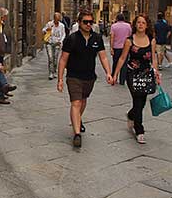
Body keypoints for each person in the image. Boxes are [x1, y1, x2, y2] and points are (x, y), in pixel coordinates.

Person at [57, 10, 112, 148]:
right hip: (74, 76)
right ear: (79, 22)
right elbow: (63, 59)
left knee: (83, 101)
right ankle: (77, 134)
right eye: (85, 22)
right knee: (76, 103)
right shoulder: (72, 39)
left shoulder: (97, 38)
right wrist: (60, 79)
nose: (88, 24)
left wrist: (108, 73)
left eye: (90, 22)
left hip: (89, 77)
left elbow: (103, 56)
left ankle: (78, 120)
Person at [113, 14, 161, 144]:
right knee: (137, 100)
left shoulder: (151, 40)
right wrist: (115, 74)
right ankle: (139, 130)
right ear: (135, 25)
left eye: (143, 23)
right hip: (132, 74)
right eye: (138, 22)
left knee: (142, 102)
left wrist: (156, 73)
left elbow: (154, 58)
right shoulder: (129, 40)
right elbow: (122, 58)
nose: (140, 25)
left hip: (146, 74)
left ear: (147, 25)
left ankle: (131, 115)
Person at [42, 12, 66, 79]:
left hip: (57, 43)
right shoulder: (49, 24)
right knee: (50, 58)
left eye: (58, 19)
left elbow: (64, 34)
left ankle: (55, 71)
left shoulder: (62, 26)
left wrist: (60, 41)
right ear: (54, 18)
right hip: (49, 43)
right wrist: (46, 30)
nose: (57, 21)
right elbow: (43, 30)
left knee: (55, 58)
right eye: (56, 19)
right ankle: (51, 73)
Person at [110, 13, 132, 85]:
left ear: (117, 19)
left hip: (116, 47)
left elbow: (112, 37)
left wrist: (111, 47)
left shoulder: (113, 26)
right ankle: (122, 80)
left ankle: (113, 77)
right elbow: (130, 35)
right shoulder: (128, 26)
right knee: (124, 64)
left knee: (115, 63)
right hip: (126, 47)